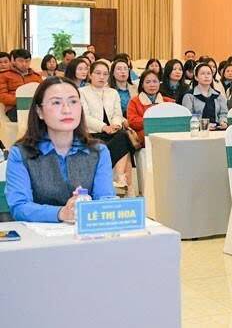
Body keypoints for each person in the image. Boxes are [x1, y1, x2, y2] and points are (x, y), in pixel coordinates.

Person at [3, 77, 114, 222]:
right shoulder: (21, 153)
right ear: (39, 111)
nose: (67, 110)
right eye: (56, 102)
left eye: (73, 102)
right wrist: (61, 213)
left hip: (88, 236)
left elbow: (105, 201)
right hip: (40, 239)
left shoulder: (98, 151)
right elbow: (19, 207)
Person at [79, 61, 135, 189]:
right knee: (124, 142)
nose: (101, 77)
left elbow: (117, 114)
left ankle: (119, 177)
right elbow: (84, 116)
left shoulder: (112, 92)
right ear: (90, 75)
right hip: (92, 132)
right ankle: (116, 177)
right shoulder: (82, 92)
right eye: (98, 73)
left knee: (122, 135)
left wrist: (115, 125)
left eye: (105, 74)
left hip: (112, 132)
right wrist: (104, 127)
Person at [126, 70, 174, 147]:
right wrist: (154, 121)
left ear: (159, 83)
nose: (152, 85)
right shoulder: (134, 101)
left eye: (155, 81)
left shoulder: (169, 102)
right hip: (144, 141)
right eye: (148, 82)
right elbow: (132, 122)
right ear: (142, 84)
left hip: (167, 140)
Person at [0, 49, 43, 122]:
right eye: (20, 61)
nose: (24, 64)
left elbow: (43, 91)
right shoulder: (4, 75)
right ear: (14, 61)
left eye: (27, 61)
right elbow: (2, 96)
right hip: (14, 107)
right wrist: (22, 101)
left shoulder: (36, 76)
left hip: (34, 105)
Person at [182, 63, 229, 129]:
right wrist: (203, 125)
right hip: (197, 131)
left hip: (217, 130)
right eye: (202, 73)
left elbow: (223, 113)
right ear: (196, 77)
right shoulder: (189, 96)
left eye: (209, 73)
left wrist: (223, 122)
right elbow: (188, 117)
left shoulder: (218, 96)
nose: (206, 76)